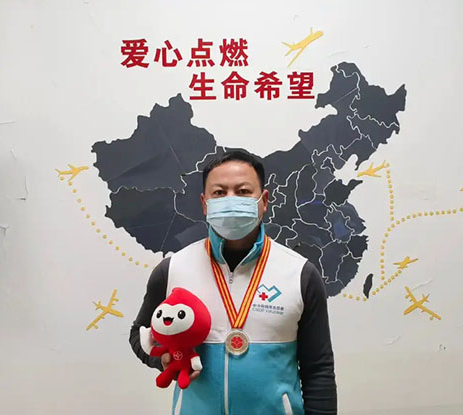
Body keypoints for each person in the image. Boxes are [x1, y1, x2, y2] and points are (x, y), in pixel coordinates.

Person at [129, 150, 337, 415]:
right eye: (219, 192)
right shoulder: (172, 269)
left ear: (264, 201)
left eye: (243, 191)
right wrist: (163, 358)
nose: (231, 199)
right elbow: (140, 333)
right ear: (204, 204)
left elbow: (318, 368)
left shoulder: (300, 274)